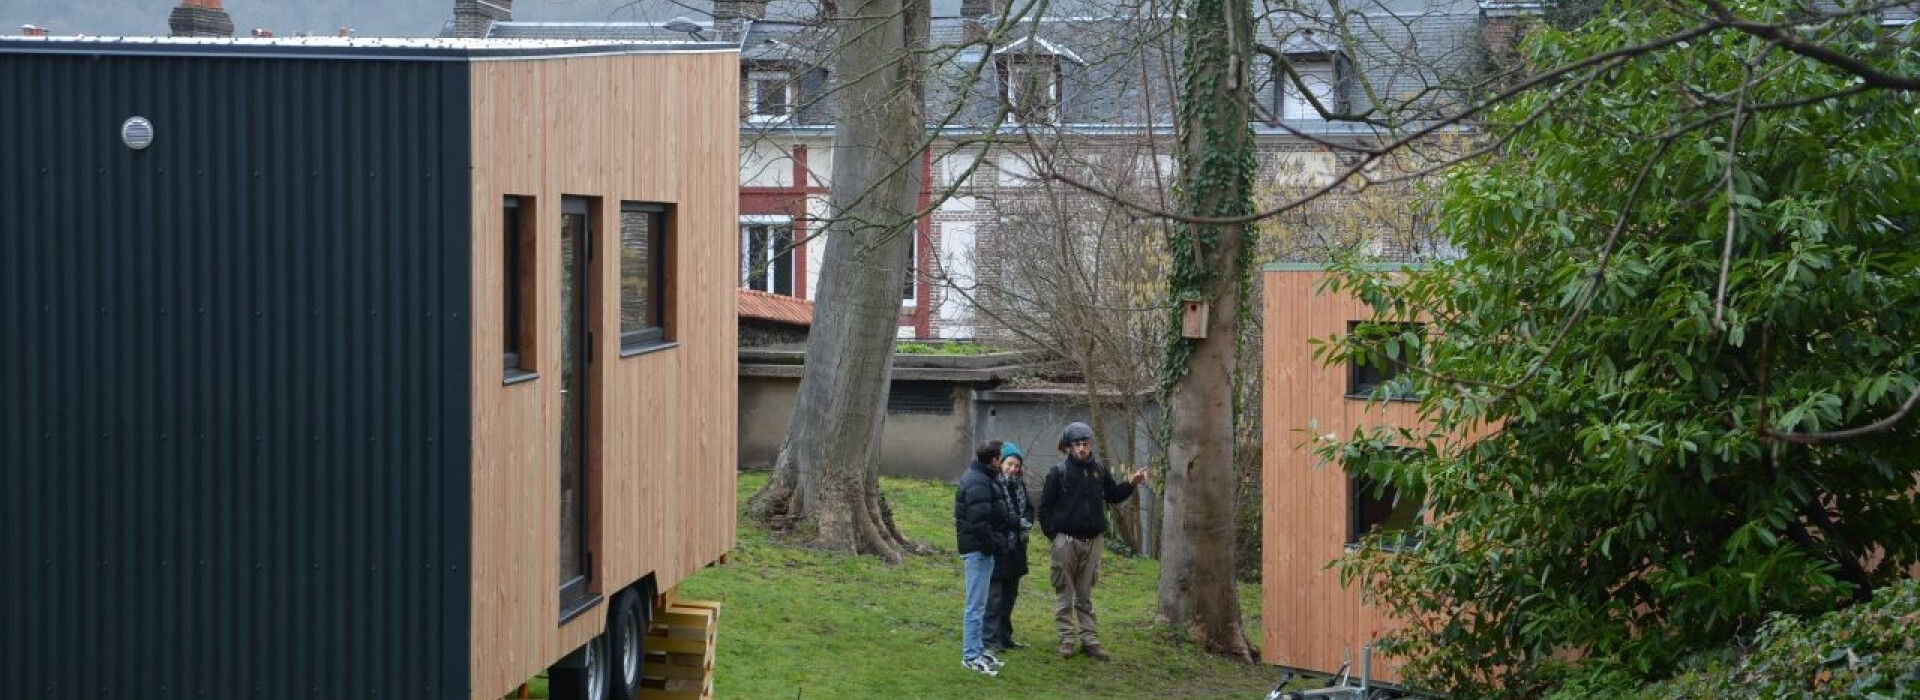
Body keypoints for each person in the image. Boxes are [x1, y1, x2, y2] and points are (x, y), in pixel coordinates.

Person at [1037, 422, 1148, 661]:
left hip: (1094, 541)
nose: (1082, 448)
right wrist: (1054, 538)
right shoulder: (1058, 473)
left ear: (1090, 445)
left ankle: (1090, 640)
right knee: (1064, 593)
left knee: (1085, 595)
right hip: (1065, 541)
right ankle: (1067, 638)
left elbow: (1112, 495)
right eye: (1077, 444)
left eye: (1085, 444)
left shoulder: (1099, 468)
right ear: (1069, 447)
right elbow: (1044, 509)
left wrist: (1132, 483)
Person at [954, 439, 1011, 676]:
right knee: (975, 606)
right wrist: (995, 544)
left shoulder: (983, 477)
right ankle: (970, 655)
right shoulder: (978, 481)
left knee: (979, 603)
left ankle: (977, 649)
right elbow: (979, 522)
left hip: (982, 549)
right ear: (994, 460)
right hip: (978, 550)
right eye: (1000, 458)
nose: (1002, 462)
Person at [984, 442, 1035, 653]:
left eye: (1016, 465)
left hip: (1017, 549)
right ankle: (990, 638)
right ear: (1001, 463)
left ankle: (1005, 636)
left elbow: (1029, 510)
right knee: (994, 598)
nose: (1013, 469)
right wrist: (1016, 522)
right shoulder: (993, 485)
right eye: (1009, 464)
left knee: (1009, 597)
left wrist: (1025, 522)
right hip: (999, 548)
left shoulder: (1020, 486)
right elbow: (998, 516)